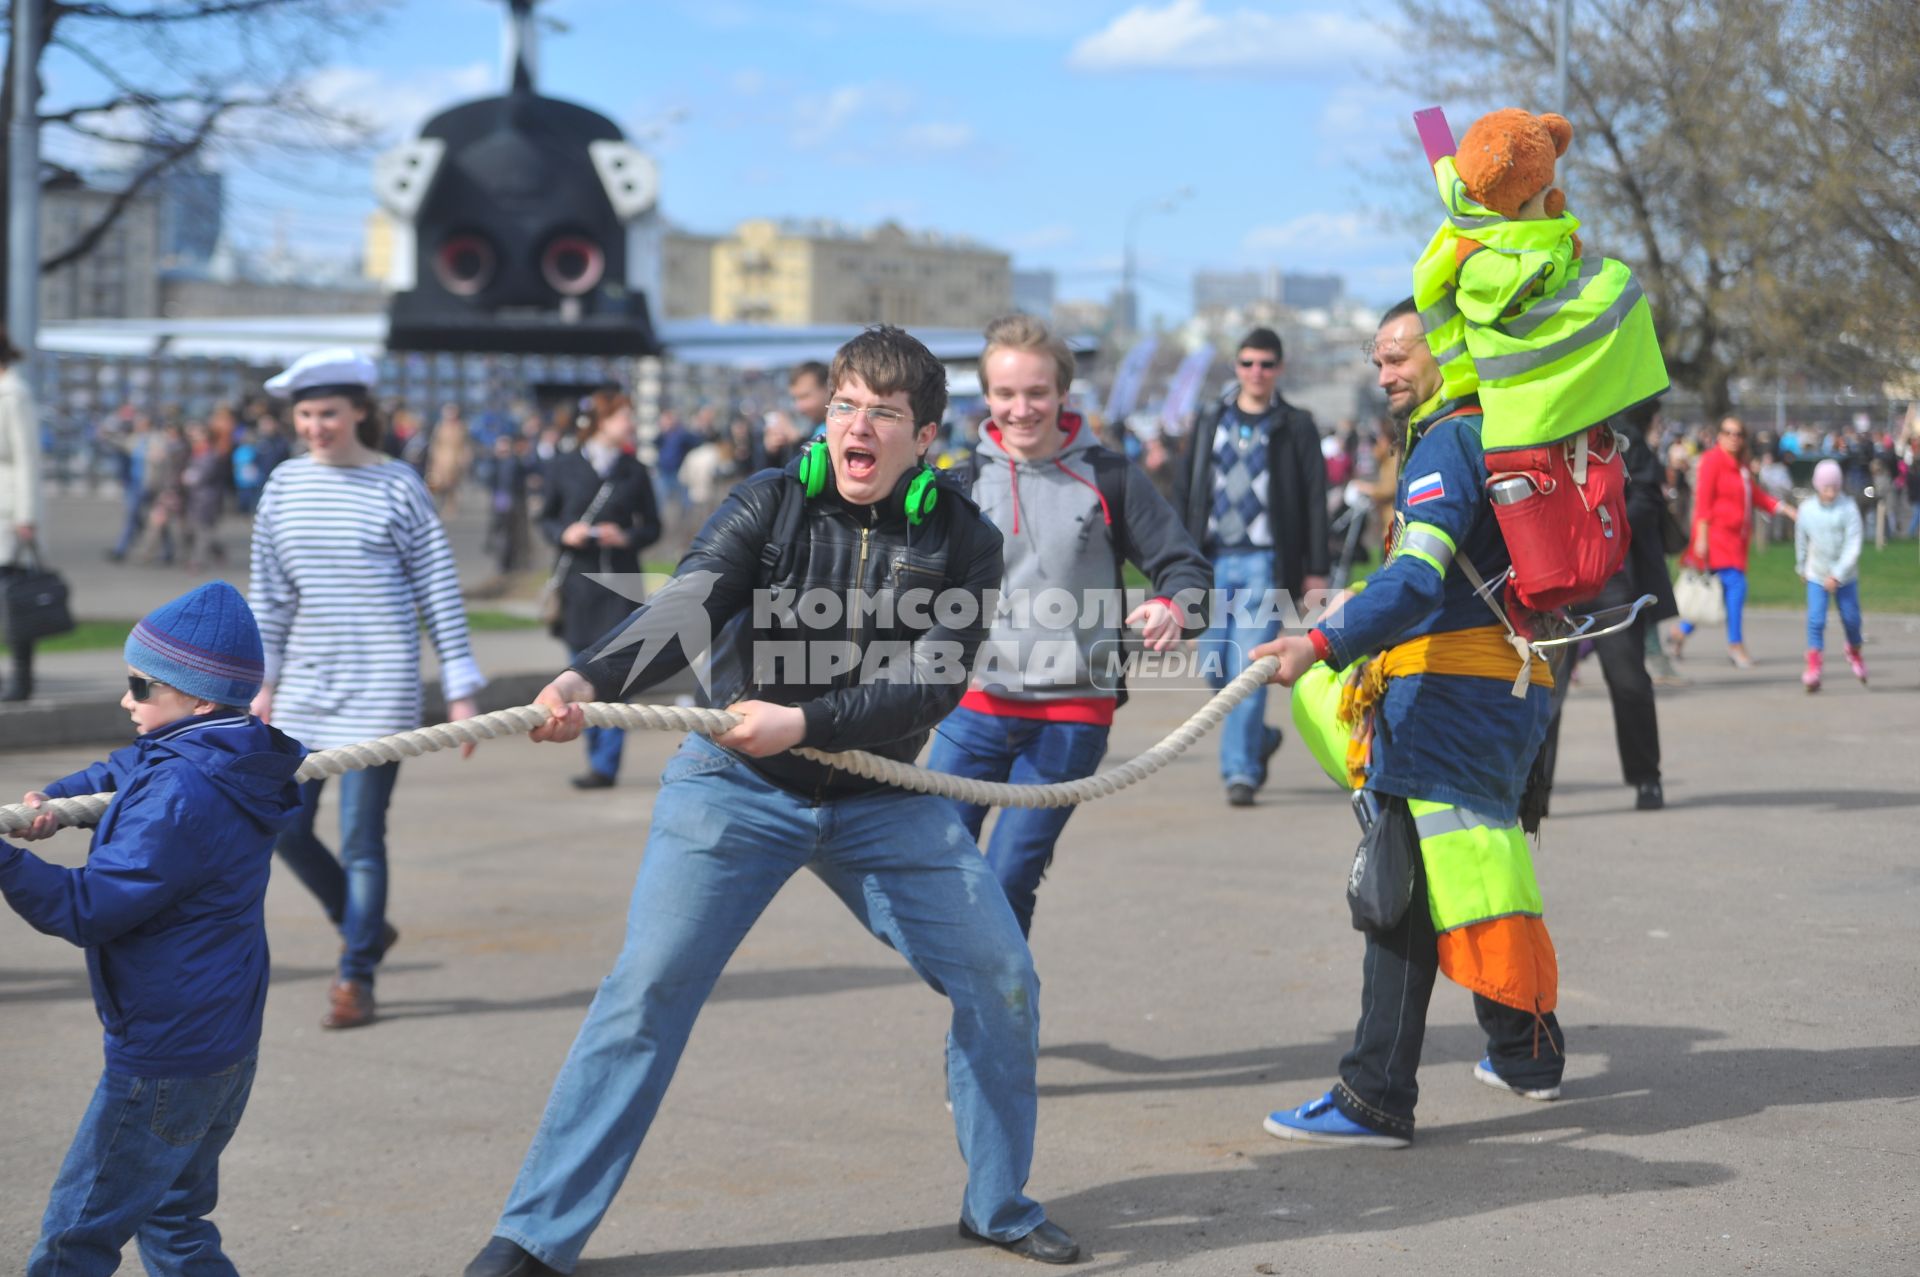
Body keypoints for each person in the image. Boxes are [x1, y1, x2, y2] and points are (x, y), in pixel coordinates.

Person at [463, 327, 1080, 1277]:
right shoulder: (770, 501)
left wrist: (807, 719)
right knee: (646, 992)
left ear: (925, 436)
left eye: (882, 412)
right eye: (843, 406)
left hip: (883, 791)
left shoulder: (964, 538)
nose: (856, 426)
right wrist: (583, 679)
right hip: (734, 787)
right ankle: (535, 1235)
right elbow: (687, 604)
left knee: (1002, 980)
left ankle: (997, 1204)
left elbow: (931, 685)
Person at [1255, 299, 1563, 1149]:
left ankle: (1374, 1096)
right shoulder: (1498, 429)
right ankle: (1527, 1054)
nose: (1384, 372)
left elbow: (1421, 579)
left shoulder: (1448, 443)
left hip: (1446, 698)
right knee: (1481, 871)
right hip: (1510, 688)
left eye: (1397, 356)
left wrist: (1319, 641)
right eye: (1376, 357)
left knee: (1400, 894)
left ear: (1450, 351)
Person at [1, 582, 305, 1277]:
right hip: (221, 1040)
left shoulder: (181, 796)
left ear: (197, 698)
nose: (126, 700)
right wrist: (60, 799)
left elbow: (88, 907)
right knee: (172, 1217)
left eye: (142, 687)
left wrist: (5, 862)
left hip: (167, 1054)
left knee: (75, 1236)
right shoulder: (229, 748)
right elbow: (126, 766)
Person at [927, 314, 1211, 936]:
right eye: (1005, 394)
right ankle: (983, 996)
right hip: (972, 709)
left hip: (1071, 717)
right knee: (931, 869)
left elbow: (1187, 572)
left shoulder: (1110, 477)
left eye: (1036, 393)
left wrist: (1173, 606)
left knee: (1007, 880)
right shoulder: (959, 483)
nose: (1021, 408)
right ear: (986, 397)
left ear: (1062, 394)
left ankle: (996, 1026)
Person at [249, 349, 487, 1031]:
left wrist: (461, 689)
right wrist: (258, 684)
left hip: (382, 684)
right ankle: (365, 925)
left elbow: (437, 587)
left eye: (328, 412)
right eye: (305, 413)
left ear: (359, 411)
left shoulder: (397, 485)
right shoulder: (284, 486)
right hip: (304, 686)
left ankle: (355, 974)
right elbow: (269, 596)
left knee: (360, 836)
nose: (316, 425)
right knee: (285, 827)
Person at [1178, 326, 1330, 807]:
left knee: (1249, 666)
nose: (1256, 372)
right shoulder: (1210, 419)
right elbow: (1187, 490)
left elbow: (1314, 500)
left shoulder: (1295, 424)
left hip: (1266, 563)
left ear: (1279, 368)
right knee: (1215, 669)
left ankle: (1240, 771)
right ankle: (1259, 738)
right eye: (1247, 363)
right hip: (1211, 562)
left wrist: (1316, 568)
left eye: (1266, 363)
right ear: (1236, 368)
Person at [1532, 398, 1678, 812]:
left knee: (1629, 680)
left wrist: (1600, 525)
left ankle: (1646, 776)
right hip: (1557, 574)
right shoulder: (1545, 422)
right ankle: (1535, 791)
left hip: (1610, 574)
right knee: (1547, 687)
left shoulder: (1620, 426)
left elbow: (1647, 497)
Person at [537, 389, 661, 790]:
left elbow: (652, 526)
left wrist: (623, 537)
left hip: (620, 584)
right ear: (601, 422)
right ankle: (592, 750)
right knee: (577, 669)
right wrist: (565, 533)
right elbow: (546, 518)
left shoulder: (634, 470)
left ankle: (605, 765)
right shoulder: (563, 466)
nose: (629, 423)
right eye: (623, 416)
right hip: (578, 583)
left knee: (616, 673)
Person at [1673, 416, 1793, 668]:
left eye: (1738, 433)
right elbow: (1703, 502)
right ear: (1719, 435)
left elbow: (1756, 496)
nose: (1733, 437)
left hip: (1735, 541)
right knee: (1735, 587)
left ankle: (1681, 632)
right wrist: (1702, 539)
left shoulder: (1741, 465)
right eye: (1728, 432)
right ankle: (1735, 644)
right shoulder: (1712, 461)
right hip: (1716, 538)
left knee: (1712, 590)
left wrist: (1783, 508)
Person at [1797, 458, 1868, 692]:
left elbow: (1853, 544)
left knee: (1851, 620)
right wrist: (1801, 566)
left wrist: (1838, 574)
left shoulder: (1847, 508)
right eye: (1826, 487)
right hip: (1817, 574)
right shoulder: (1807, 510)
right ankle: (1814, 667)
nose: (1830, 492)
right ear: (1818, 486)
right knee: (1816, 620)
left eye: (1835, 487)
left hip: (1844, 576)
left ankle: (1854, 649)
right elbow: (1802, 540)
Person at [0, 327, 44, 700]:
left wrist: (26, 517)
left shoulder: (14, 393)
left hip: (8, 515)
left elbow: (27, 459)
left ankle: (21, 678)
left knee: (17, 598)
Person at [788, 358, 831, 442]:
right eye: (795, 399)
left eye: (804, 396)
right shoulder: (816, 425)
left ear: (828, 388)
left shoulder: (839, 429)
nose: (799, 406)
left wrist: (795, 440)